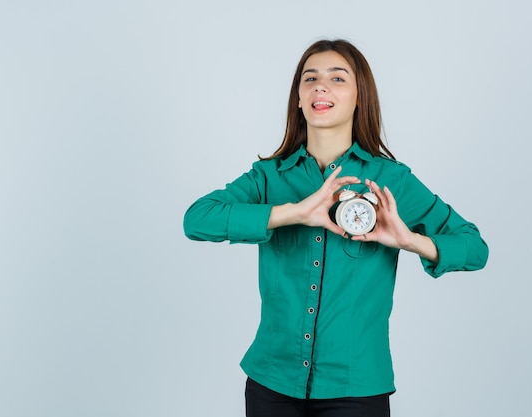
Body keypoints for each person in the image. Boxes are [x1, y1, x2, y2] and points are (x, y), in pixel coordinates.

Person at [183, 39, 488, 417]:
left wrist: (408, 239)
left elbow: (475, 249)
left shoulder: (390, 180)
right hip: (270, 383)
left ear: (360, 97)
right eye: (310, 78)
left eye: (337, 78)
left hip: (356, 389)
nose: (320, 86)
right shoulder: (268, 177)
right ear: (298, 98)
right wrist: (292, 213)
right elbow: (197, 219)